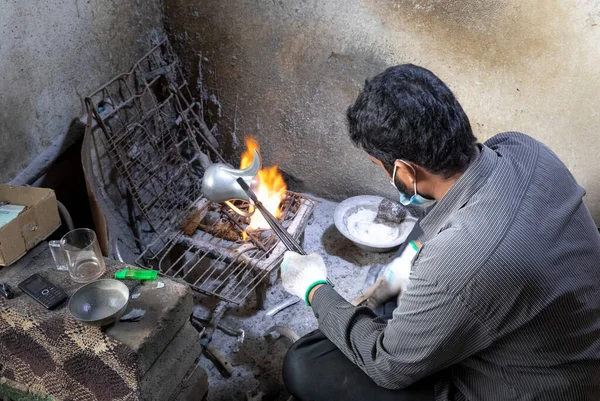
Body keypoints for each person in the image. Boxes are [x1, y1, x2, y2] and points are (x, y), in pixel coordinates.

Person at [280, 64, 600, 401]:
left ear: (403, 169)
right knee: (406, 261)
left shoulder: (458, 260)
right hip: (570, 336)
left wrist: (314, 288)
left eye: (381, 168)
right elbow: (443, 235)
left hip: (535, 386)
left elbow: (387, 367)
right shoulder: (524, 149)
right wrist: (407, 266)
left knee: (306, 363)